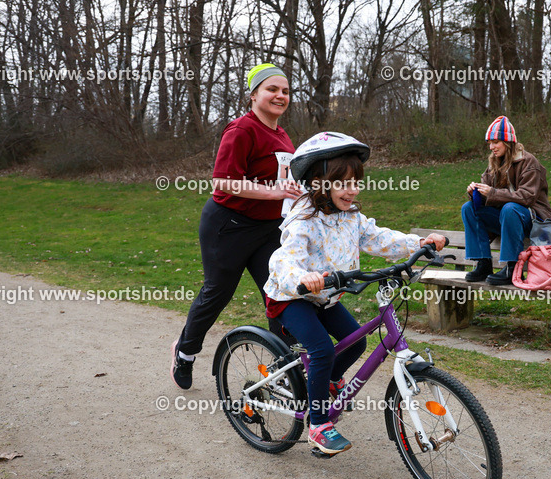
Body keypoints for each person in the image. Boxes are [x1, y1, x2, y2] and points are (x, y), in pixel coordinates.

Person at [263, 132, 446, 456]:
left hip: (326, 297)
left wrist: (417, 243)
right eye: (343, 183)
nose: (353, 190)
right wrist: (302, 276)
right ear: (320, 184)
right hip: (291, 298)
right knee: (322, 350)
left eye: (356, 182)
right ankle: (318, 424)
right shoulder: (303, 220)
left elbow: (378, 238)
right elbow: (282, 260)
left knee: (356, 341)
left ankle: (327, 381)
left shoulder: (350, 217)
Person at [171, 64, 303, 390]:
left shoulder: (282, 135)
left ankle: (285, 368)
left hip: (269, 227)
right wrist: (273, 192)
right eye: (272, 89)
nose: (280, 96)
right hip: (229, 224)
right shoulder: (241, 130)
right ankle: (185, 352)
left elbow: (281, 179)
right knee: (218, 293)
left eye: (285, 91)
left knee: (278, 292)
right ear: (254, 94)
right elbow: (224, 181)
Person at [461, 116, 551, 285]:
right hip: (507, 219)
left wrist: (493, 193)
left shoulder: (529, 162)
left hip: (535, 221)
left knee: (510, 208)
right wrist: (475, 193)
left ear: (508, 142)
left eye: (496, 142)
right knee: (468, 208)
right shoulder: (494, 163)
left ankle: (512, 268)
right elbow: (488, 197)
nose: (492, 147)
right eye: (489, 143)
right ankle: (483, 264)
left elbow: (527, 197)